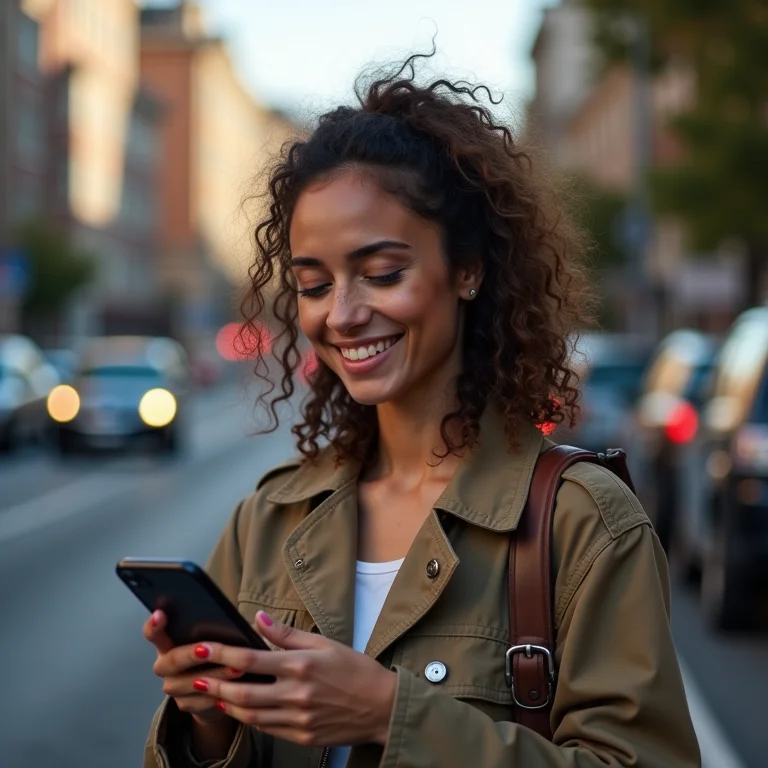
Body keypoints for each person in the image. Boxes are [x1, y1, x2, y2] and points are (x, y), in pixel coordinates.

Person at [142, 54, 701, 768]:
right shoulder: (267, 521)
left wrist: (390, 713)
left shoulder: (584, 524)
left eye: (381, 273)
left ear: (467, 267)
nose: (342, 315)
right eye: (313, 285)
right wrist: (208, 721)